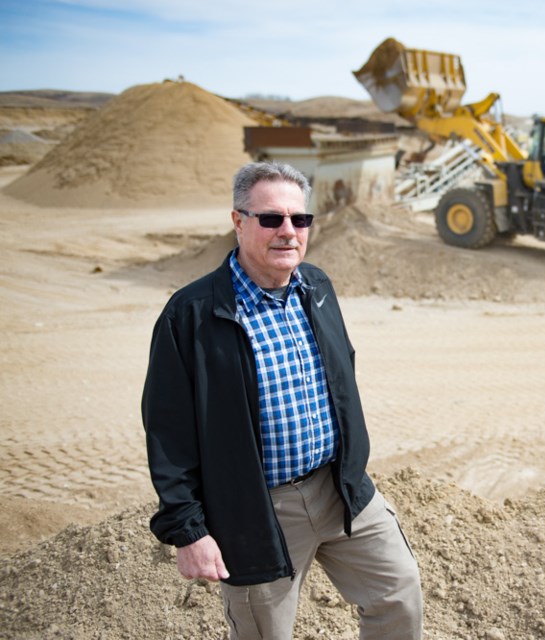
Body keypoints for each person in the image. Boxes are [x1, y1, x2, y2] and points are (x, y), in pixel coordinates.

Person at [142, 161, 423, 639]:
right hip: (257, 510)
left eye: (300, 219)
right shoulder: (191, 314)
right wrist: (188, 529)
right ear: (238, 222)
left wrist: (353, 463)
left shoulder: (317, 287)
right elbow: (168, 430)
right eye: (270, 218)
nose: (288, 231)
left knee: (399, 594)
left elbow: (341, 375)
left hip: (340, 490)